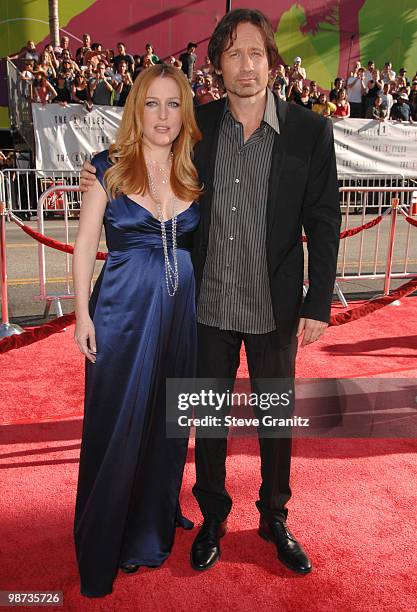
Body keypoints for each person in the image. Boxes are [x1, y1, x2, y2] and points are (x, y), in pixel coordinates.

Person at [81, 8, 341, 577]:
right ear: (218, 66)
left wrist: (318, 302)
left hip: (275, 307)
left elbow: (324, 222)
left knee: (275, 419)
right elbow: (147, 163)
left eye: (255, 53)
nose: (245, 66)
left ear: (271, 62)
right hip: (207, 306)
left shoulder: (309, 131)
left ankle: (274, 517)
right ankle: (213, 517)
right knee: (208, 419)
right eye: (232, 54)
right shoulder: (199, 129)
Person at [73, 63, 202, 598]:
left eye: (173, 104)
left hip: (181, 312)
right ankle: (110, 535)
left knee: (168, 417)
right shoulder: (107, 167)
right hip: (122, 309)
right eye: (153, 103)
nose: (163, 115)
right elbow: (83, 246)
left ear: (185, 113)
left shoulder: (195, 170)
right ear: (136, 109)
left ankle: (151, 522)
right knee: (118, 418)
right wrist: (82, 314)